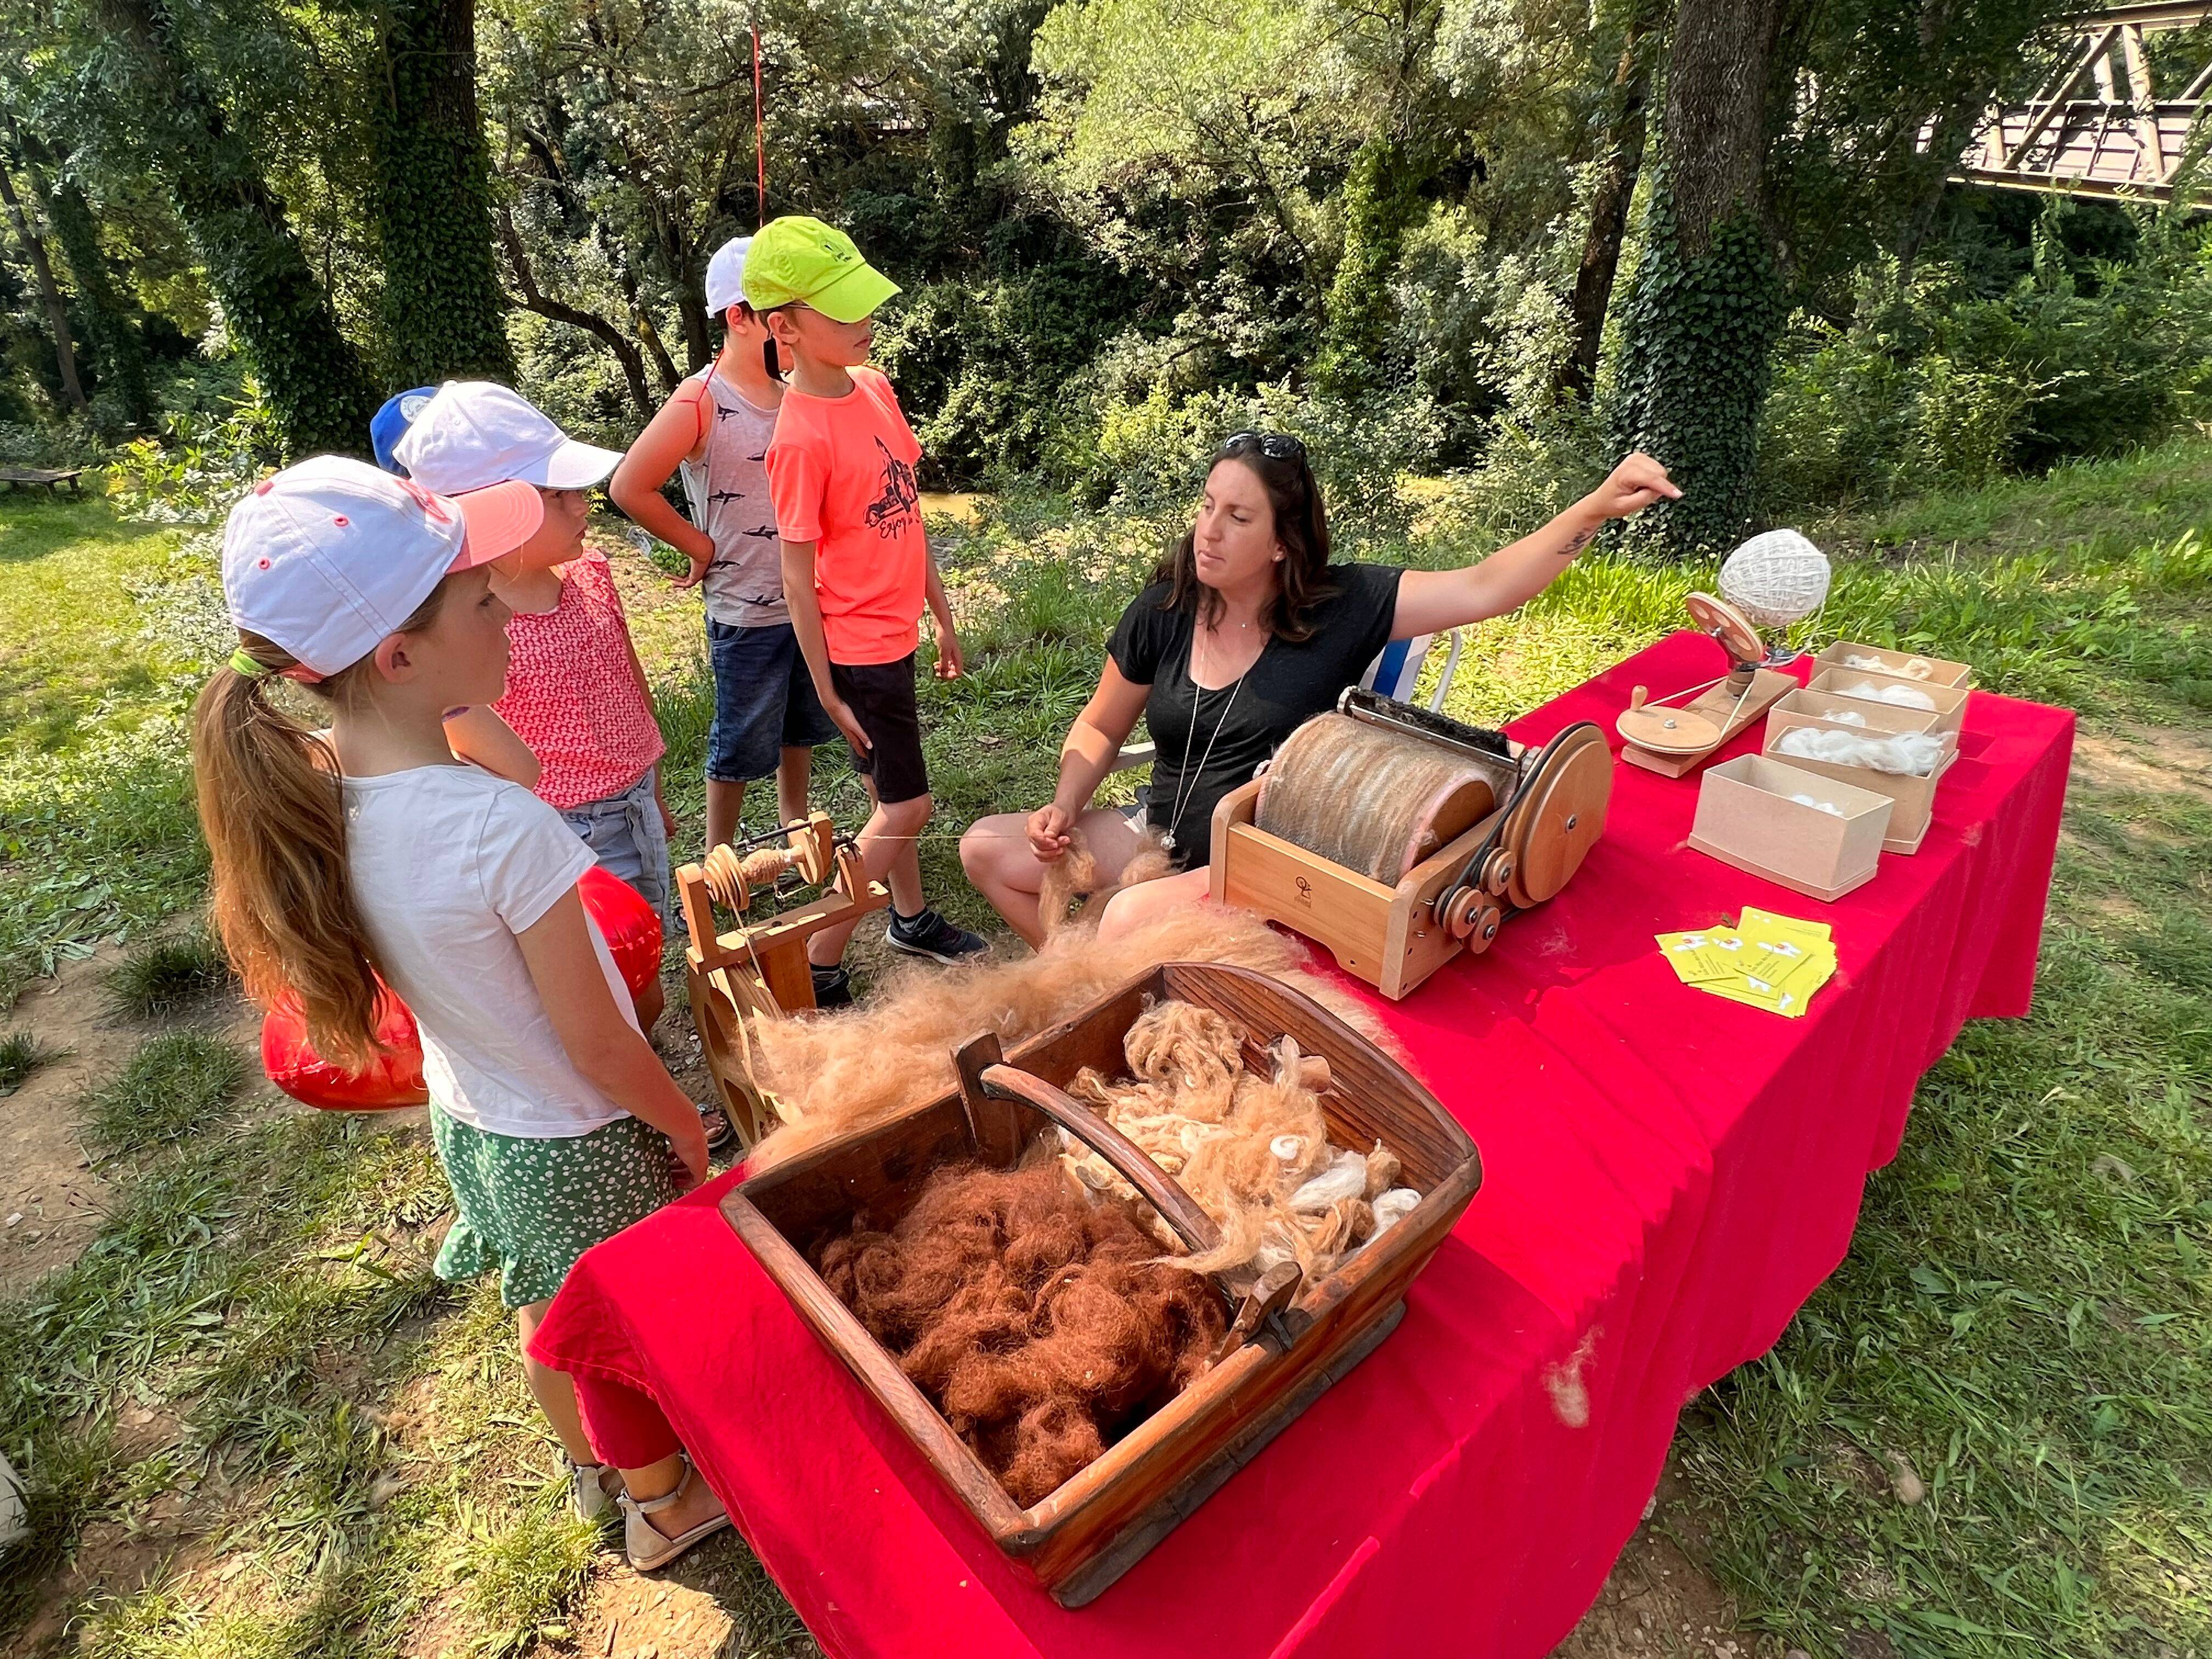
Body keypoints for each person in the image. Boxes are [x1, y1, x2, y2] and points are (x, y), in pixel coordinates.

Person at [191, 456, 731, 1570]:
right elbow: (595, 1044)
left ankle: (589, 1475)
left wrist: (457, 719)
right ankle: (665, 1505)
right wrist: (683, 1120)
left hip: (475, 1120)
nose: (507, 615)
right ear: (398, 656)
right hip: (579, 1136)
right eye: (480, 603)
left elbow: (506, 761)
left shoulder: (323, 790)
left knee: (549, 1303)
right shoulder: (501, 834)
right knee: (617, 1331)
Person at [960, 432, 1680, 945]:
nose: (1208, 532)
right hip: (1162, 827)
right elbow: (1098, 726)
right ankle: (1088, 987)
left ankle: (1108, 985)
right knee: (986, 851)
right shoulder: (1167, 605)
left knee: (1121, 921)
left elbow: (1488, 585)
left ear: (1282, 542)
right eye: (1207, 506)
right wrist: (1064, 804)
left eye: (1237, 518)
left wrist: (1592, 508)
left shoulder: (1343, 605)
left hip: (1261, 854)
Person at [747, 214, 987, 1003]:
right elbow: (794, 575)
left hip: (898, 634)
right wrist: (823, 687)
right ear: (785, 327)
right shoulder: (799, 440)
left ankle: (911, 919)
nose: (865, 322)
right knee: (909, 802)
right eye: (841, 311)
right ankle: (816, 959)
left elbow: (907, 515)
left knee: (891, 796)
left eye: (864, 304)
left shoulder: (876, 389)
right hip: (856, 653)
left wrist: (940, 614)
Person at [393, 384, 676, 1018]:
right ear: (493, 515)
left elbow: (626, 675)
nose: (583, 506)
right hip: (557, 835)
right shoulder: (465, 626)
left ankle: (642, 1062)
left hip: (634, 803)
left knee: (647, 952)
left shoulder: (592, 571)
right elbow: (459, 746)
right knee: (597, 981)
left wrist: (651, 786)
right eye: (557, 496)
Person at [608, 235, 836, 855]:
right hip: (744, 609)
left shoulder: (799, 394)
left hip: (809, 602)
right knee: (740, 738)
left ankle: (795, 826)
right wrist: (699, 546)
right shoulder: (702, 399)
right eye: (779, 318)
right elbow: (631, 485)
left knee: (802, 724)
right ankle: (719, 857)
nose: (792, 332)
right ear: (739, 317)